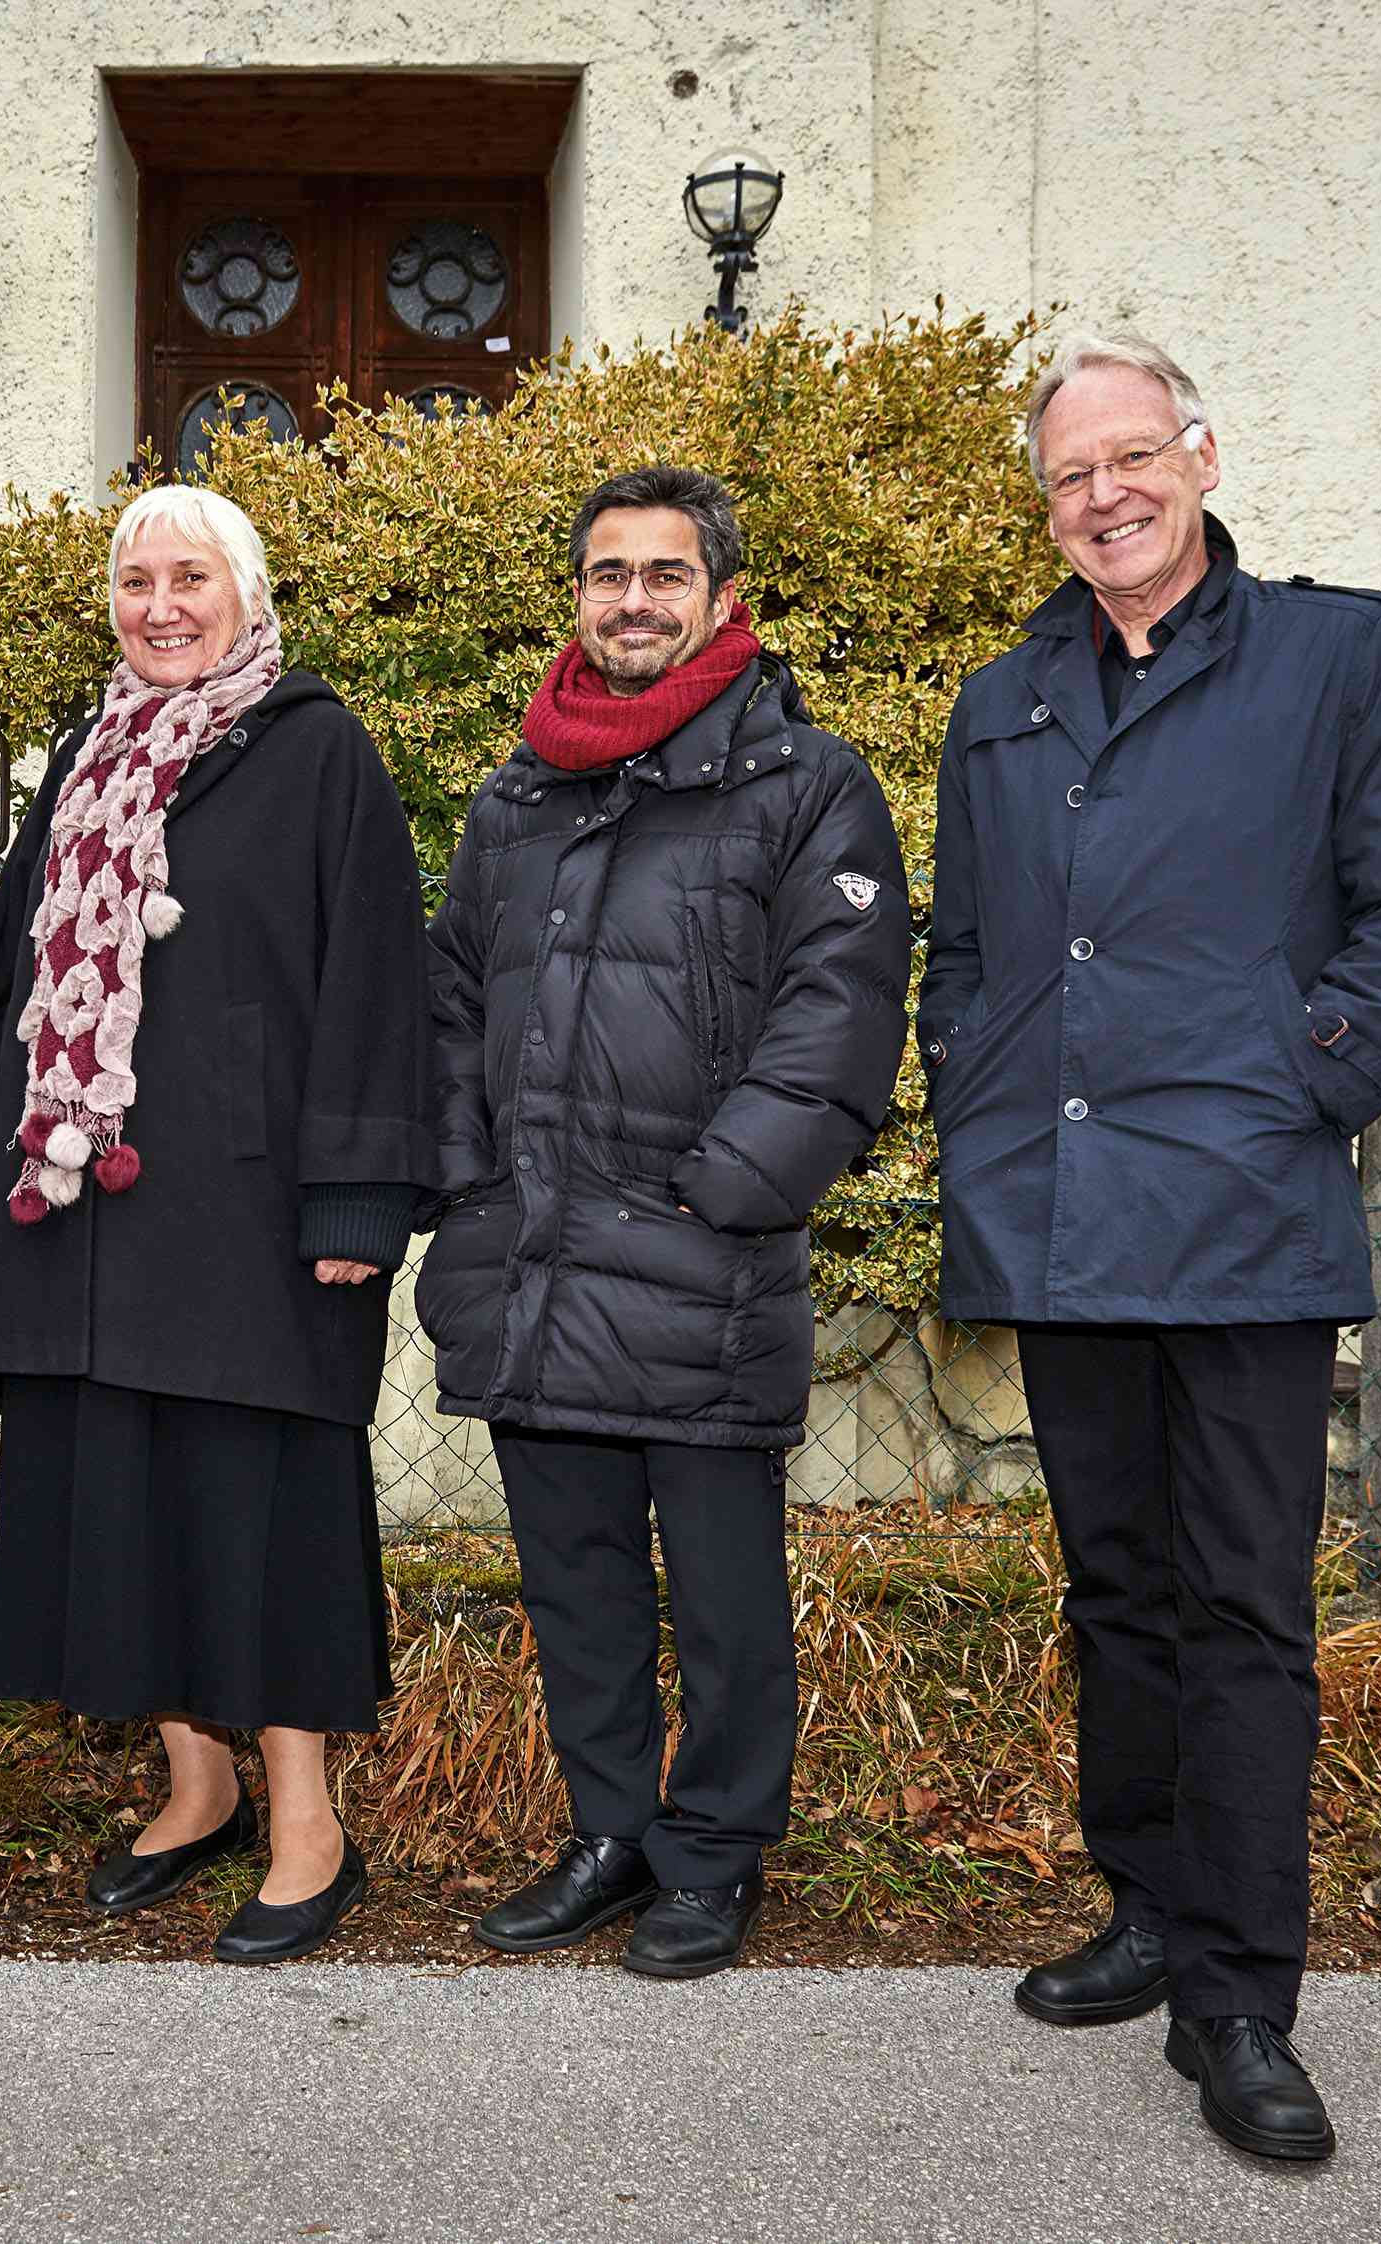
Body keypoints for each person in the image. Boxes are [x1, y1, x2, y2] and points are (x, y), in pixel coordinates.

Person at [921, 334, 1381, 2162]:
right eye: (1072, 474)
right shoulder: (1006, 696)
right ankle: (1152, 1908)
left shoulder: (1340, 657)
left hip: (1243, 1207)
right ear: (1048, 504)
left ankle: (1240, 1999)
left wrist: (1301, 1075)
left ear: (1203, 458)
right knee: (1114, 1589)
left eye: (1134, 457)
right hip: (1062, 1206)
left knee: (1244, 1611)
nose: (1106, 495)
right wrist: (972, 1080)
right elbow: (967, 949)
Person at [418, 466, 913, 1981]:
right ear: (578, 595)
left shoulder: (805, 782)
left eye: (664, 574)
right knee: (576, 1582)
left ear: (720, 597)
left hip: (701, 1260)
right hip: (534, 1259)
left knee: (722, 1601)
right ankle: (612, 1834)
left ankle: (714, 1853)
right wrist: (472, 1175)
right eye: (608, 573)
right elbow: (452, 996)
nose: (632, 599)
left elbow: (840, 1008)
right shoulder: (520, 792)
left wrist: (727, 1188)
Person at [0, 484, 431, 1965]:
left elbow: (376, 979)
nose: (161, 606)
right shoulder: (86, 753)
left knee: (259, 1509)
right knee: (120, 1497)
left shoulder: (320, 749)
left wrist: (359, 1195)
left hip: (250, 1215)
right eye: (137, 580)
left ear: (248, 594)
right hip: (85, 1210)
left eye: (191, 578)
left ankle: (307, 1825)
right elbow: (10, 970)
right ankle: (196, 1785)